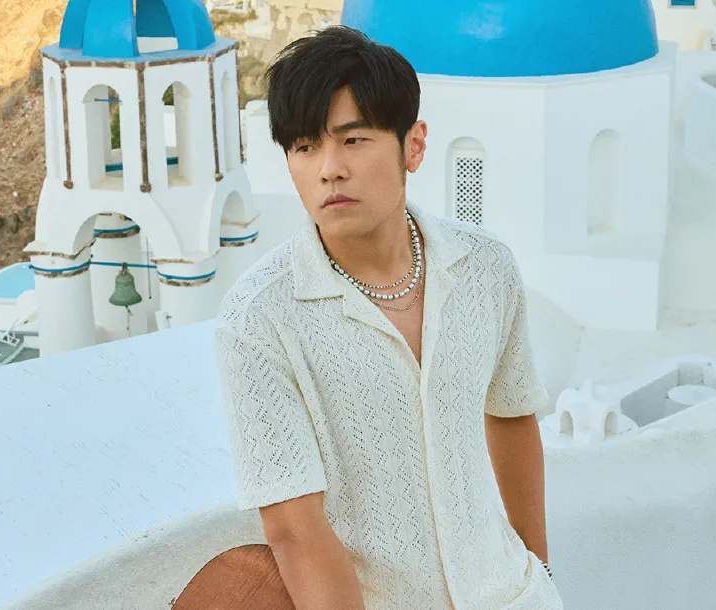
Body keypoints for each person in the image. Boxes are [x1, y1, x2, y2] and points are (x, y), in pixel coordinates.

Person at [213, 25, 563, 610]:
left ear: (413, 146)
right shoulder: (258, 321)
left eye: (353, 140)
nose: (329, 169)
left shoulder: (487, 267)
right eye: (304, 147)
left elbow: (512, 416)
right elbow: (295, 531)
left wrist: (540, 572)